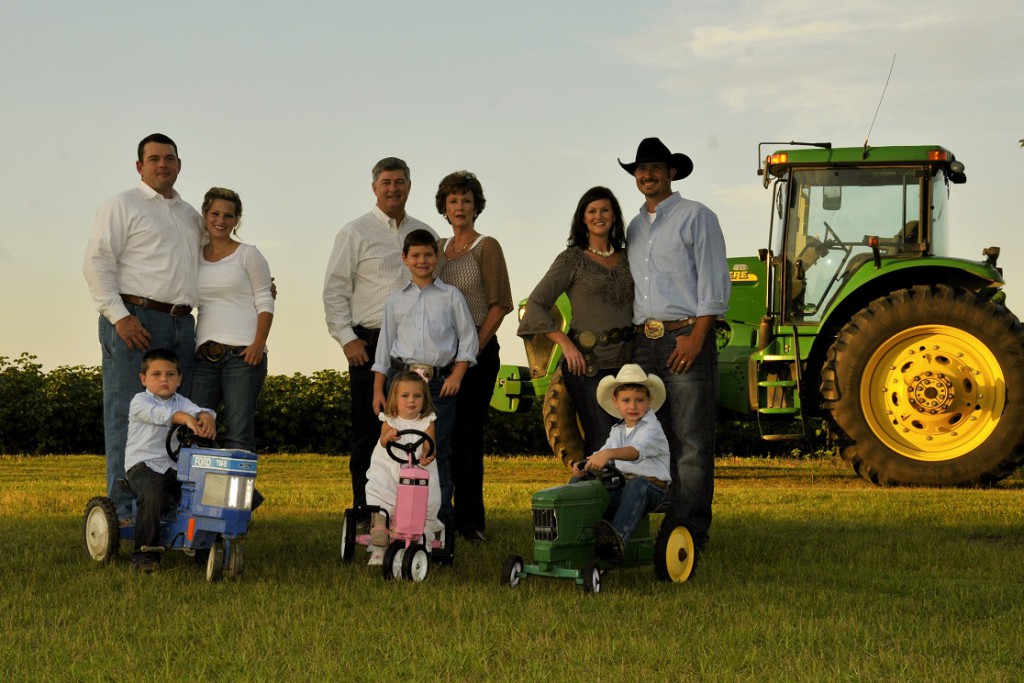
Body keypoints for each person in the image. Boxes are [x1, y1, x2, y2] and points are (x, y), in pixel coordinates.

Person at [83, 133, 205, 524]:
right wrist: (119, 316)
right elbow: (97, 262)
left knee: (175, 417)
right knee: (128, 414)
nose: (162, 165)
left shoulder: (189, 214)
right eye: (154, 159)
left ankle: (163, 507)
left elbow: (213, 260)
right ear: (140, 166)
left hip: (182, 322)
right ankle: (122, 511)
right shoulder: (121, 205)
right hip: (136, 318)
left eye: (169, 158)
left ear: (179, 164)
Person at [619, 137, 730, 554]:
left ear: (672, 173)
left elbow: (714, 284)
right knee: (652, 436)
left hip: (684, 336)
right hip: (642, 342)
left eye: (655, 168)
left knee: (691, 440)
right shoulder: (633, 227)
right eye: (640, 170)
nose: (646, 175)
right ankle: (652, 521)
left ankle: (689, 533)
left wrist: (696, 338)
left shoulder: (697, 216)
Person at [323, 157, 437, 510]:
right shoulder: (355, 232)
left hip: (416, 347)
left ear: (409, 186)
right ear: (374, 187)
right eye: (386, 182)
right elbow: (334, 289)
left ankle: (415, 507)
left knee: (418, 426)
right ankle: (368, 509)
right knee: (369, 431)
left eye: (400, 181)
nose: (393, 188)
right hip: (369, 343)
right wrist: (346, 338)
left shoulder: (425, 233)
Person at [372, 229, 479, 527]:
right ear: (405, 259)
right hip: (401, 382)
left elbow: (468, 339)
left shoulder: (450, 296)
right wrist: (379, 388)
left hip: (438, 385)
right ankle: (392, 513)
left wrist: (457, 374)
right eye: (415, 255)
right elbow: (385, 346)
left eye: (428, 255)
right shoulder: (395, 301)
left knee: (436, 448)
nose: (422, 261)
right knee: (394, 445)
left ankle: (437, 519)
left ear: (437, 257)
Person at [518, 186, 634, 458]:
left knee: (630, 438)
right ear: (582, 218)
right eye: (591, 211)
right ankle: (595, 495)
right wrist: (567, 346)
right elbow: (536, 305)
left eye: (605, 210)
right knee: (602, 439)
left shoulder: (629, 258)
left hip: (630, 362)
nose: (599, 216)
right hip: (587, 365)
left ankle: (632, 499)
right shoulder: (571, 259)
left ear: (615, 216)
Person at [434, 170, 513, 542]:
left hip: (478, 354)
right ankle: (436, 515)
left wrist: (471, 350)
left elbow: (500, 305)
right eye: (453, 201)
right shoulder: (436, 249)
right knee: (438, 436)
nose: (460, 207)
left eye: (466, 200)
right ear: (444, 208)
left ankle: (470, 523)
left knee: (466, 439)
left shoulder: (487, 246)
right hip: (439, 358)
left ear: (477, 206)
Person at [190, 187, 275, 453]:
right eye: (215, 213)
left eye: (229, 215)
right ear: (205, 215)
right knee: (195, 430)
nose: (221, 220)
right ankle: (199, 494)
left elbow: (265, 300)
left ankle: (239, 496)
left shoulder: (248, 254)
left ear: (237, 219)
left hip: (243, 357)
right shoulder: (194, 257)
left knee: (238, 436)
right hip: (204, 358)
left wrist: (258, 344)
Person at [125, 348, 216, 572]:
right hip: (144, 466)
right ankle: (144, 553)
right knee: (153, 493)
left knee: (205, 492)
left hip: (176, 467)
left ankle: (205, 548)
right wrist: (186, 418)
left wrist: (205, 417)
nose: (164, 379)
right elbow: (161, 416)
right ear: (143, 379)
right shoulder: (139, 402)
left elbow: (200, 411)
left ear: (179, 379)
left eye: (170, 374)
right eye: (156, 374)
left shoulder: (181, 401)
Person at [572, 364, 670, 564]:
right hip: (623, 484)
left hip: (653, 488)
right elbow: (603, 452)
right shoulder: (618, 430)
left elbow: (635, 452)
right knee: (587, 481)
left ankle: (617, 539)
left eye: (639, 400)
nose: (632, 406)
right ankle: (572, 528)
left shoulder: (652, 428)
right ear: (615, 402)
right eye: (626, 400)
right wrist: (586, 464)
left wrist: (608, 454)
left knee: (637, 485)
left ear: (649, 401)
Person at [364, 371, 440, 566]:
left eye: (417, 396)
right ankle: (380, 531)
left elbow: (430, 444)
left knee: (425, 495)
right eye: (405, 396)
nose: (411, 401)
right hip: (390, 468)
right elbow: (382, 440)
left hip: (416, 469)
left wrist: (427, 454)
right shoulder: (390, 419)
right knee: (383, 489)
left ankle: (421, 535)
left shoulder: (427, 421)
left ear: (424, 399)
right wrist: (388, 437)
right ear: (395, 399)